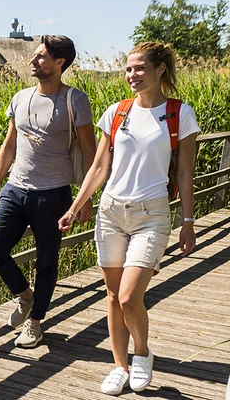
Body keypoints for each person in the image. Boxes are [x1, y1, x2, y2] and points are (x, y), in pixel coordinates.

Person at [58, 41, 200, 395]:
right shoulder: (117, 112)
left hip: (151, 214)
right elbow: (99, 167)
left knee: (128, 297)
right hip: (110, 212)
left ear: (159, 70)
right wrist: (76, 207)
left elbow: (185, 174)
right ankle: (119, 367)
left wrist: (188, 222)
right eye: (127, 69)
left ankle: (142, 354)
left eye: (139, 68)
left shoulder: (179, 114)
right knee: (111, 295)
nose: (131, 75)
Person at [0, 34, 96, 350]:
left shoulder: (75, 100)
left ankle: (35, 322)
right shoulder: (21, 98)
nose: (33, 60)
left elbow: (90, 150)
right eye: (35, 55)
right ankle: (25, 296)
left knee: (46, 261)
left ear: (59, 63)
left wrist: (84, 199)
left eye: (41, 56)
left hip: (53, 194)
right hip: (16, 188)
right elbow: (9, 145)